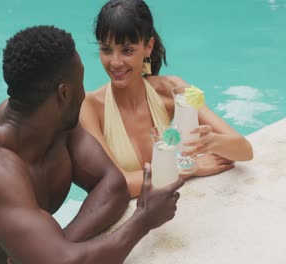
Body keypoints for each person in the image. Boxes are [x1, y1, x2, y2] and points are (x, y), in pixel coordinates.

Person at [0, 25, 183, 264]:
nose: (84, 92)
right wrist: (143, 220)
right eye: (81, 80)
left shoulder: (55, 122)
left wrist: (58, 245)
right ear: (64, 93)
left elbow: (113, 185)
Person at [80, 0, 253, 198]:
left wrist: (210, 141)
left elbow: (244, 150)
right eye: (106, 49)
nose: (115, 62)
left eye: (127, 50)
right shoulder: (90, 106)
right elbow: (118, 185)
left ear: (148, 46)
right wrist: (188, 168)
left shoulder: (171, 90)